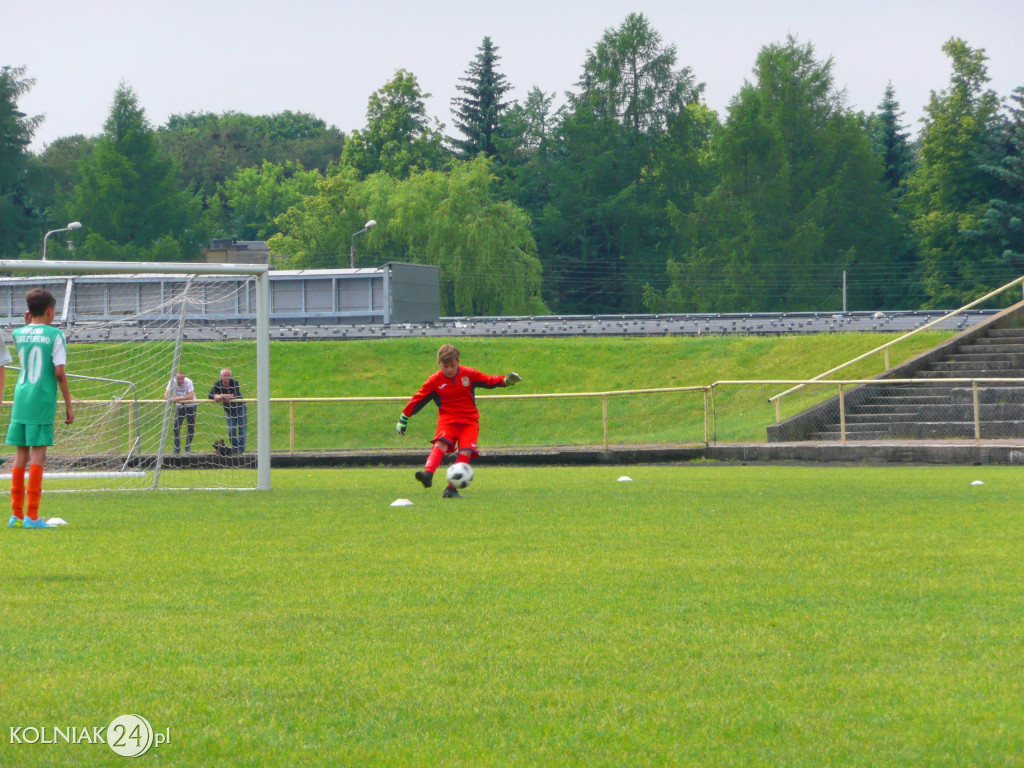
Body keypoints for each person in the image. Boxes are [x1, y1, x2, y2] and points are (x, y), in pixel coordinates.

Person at [396, 343, 521, 498]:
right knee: (440, 443)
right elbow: (418, 399)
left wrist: (506, 381)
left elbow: (488, 380)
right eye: (445, 366)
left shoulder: (469, 374)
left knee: (466, 451)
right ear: (438, 364)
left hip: (469, 421)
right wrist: (404, 418)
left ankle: (450, 489)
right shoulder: (434, 381)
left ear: (458, 362)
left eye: (452, 366)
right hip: (447, 419)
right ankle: (428, 475)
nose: (449, 369)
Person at [7, 288, 75, 529]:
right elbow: (59, 372)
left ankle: (16, 514)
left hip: (21, 398)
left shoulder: (18, 333)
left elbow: (29, 332)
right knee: (38, 454)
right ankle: (32, 516)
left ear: (29, 312)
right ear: (50, 311)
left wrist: (29, 323)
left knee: (20, 455)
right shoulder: (55, 335)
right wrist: (68, 405)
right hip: (41, 400)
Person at [209, 368, 247, 454]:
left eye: (228, 376)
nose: (226, 378)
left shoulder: (234, 382)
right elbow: (210, 395)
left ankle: (241, 451)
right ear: (221, 376)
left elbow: (234, 395)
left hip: (240, 408)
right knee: (231, 430)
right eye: (224, 376)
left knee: (242, 429)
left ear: (230, 376)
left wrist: (222, 395)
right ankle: (235, 448)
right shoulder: (217, 384)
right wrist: (216, 397)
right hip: (229, 411)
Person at [165, 371, 197, 455]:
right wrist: (171, 398)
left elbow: (191, 396)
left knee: (190, 427)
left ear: (184, 378)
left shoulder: (188, 382)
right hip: (180, 406)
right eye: (178, 379)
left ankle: (187, 447)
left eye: (182, 379)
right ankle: (177, 448)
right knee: (176, 426)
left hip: (191, 406)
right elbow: (166, 395)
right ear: (175, 378)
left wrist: (178, 398)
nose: (180, 381)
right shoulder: (172, 382)